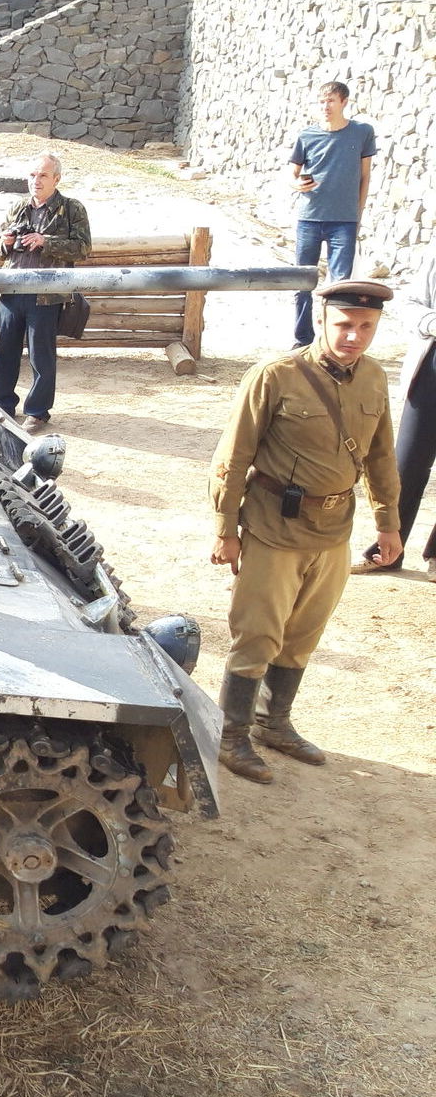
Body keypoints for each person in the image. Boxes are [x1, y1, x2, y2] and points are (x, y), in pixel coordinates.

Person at [209, 279, 402, 784]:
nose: (354, 336)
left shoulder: (374, 377)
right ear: (321, 320)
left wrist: (388, 524)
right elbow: (233, 456)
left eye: (366, 327)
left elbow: (381, 456)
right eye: (344, 324)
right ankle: (231, 736)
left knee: (303, 633)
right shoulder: (276, 376)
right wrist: (226, 528)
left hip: (334, 530)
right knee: (258, 633)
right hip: (274, 526)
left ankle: (274, 723)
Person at [0, 153, 90, 434]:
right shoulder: (17, 207)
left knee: (41, 355)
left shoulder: (71, 208)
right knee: (4, 353)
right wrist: (6, 242)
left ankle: (37, 412)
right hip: (11, 290)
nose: (36, 180)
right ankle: (2, 405)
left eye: (43, 175)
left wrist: (46, 242)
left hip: (46, 294)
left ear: (56, 179)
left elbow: (83, 248)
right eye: (32, 175)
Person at [356, 254, 435, 577]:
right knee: (407, 462)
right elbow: (411, 304)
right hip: (432, 367)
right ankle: (387, 551)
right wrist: (432, 323)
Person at [286, 81, 377, 348]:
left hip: (344, 222)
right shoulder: (307, 135)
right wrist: (296, 184)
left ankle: (331, 341)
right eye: (322, 101)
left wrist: (358, 215)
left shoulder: (362, 132)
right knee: (303, 282)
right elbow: (291, 173)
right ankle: (302, 341)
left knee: (340, 287)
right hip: (309, 218)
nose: (325, 107)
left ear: (344, 102)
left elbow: (365, 176)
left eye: (331, 101)